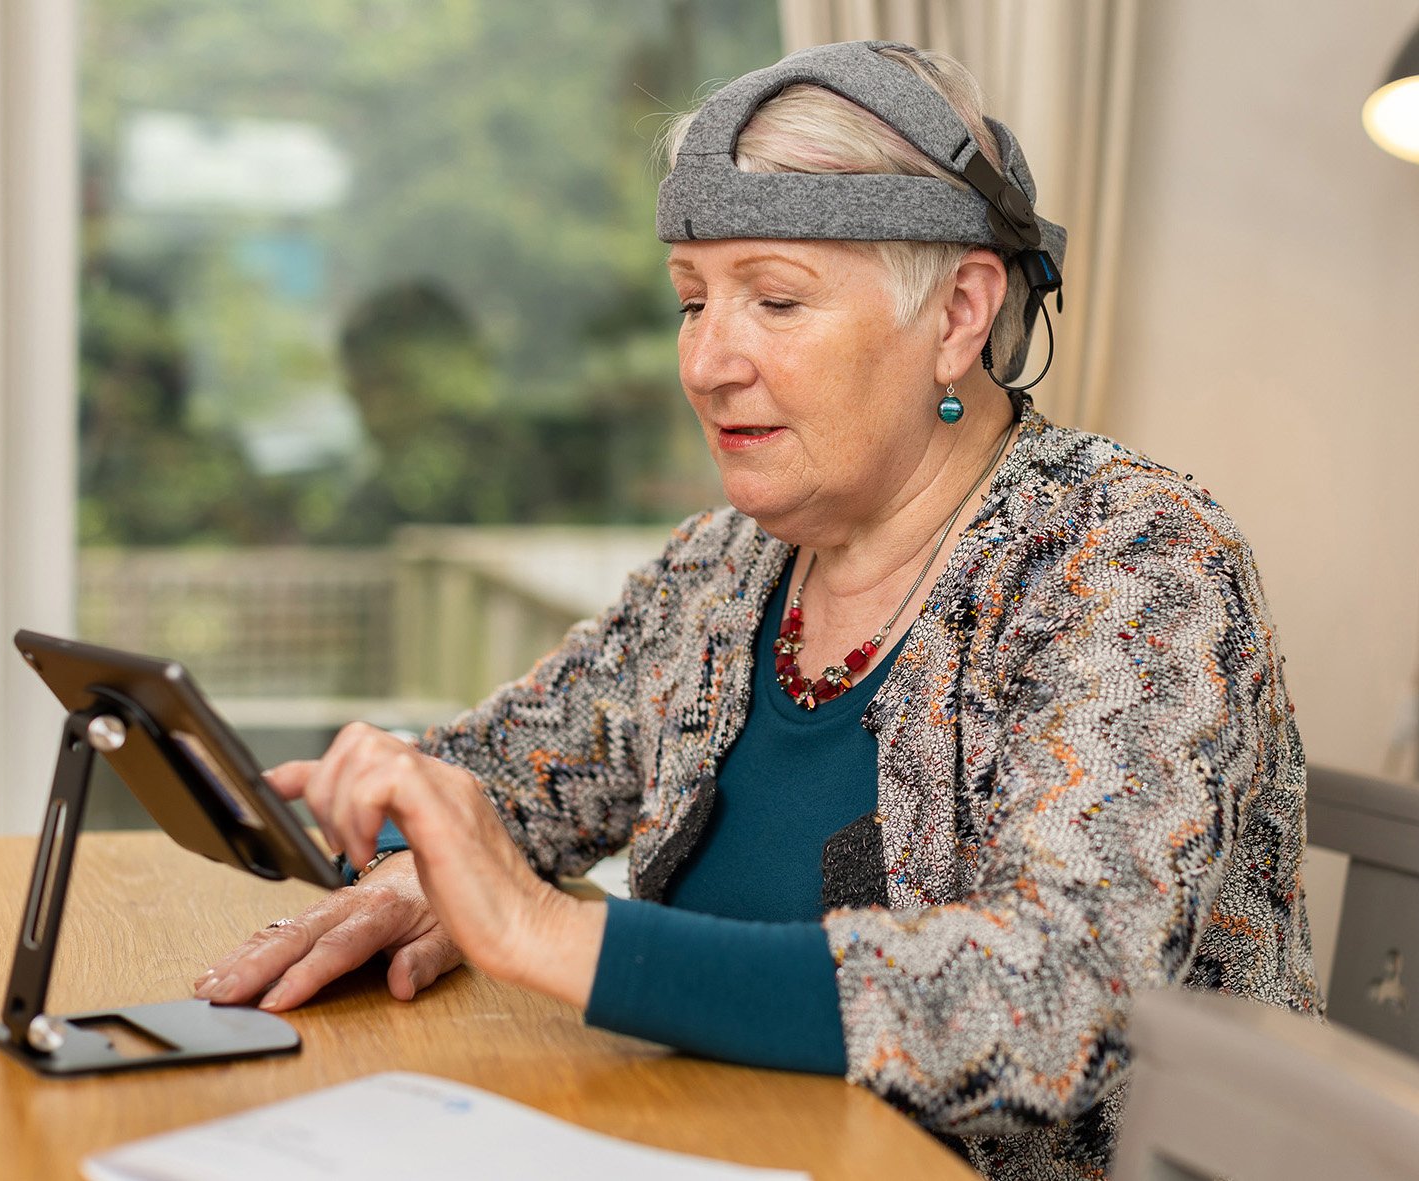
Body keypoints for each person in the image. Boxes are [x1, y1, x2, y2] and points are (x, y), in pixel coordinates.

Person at [194, 41, 1321, 1179]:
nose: (706, 361)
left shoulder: (1133, 560)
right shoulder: (732, 566)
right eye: (691, 300)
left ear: (959, 312)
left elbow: (1061, 997)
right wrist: (392, 825)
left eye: (775, 298)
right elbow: (511, 782)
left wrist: (544, 933)